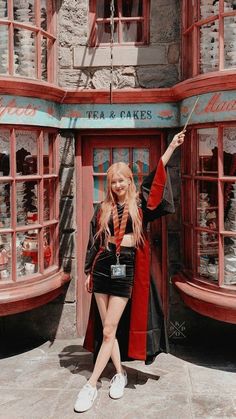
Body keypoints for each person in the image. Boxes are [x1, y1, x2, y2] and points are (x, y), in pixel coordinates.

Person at [74, 130, 185, 413]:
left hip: (126, 270)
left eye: (122, 180)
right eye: (113, 181)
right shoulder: (103, 208)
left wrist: (171, 146)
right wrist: (88, 270)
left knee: (110, 328)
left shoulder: (138, 206)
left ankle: (90, 386)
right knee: (106, 330)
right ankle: (120, 374)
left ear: (129, 181)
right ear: (110, 184)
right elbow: (94, 241)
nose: (118, 185)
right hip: (102, 267)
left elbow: (156, 180)